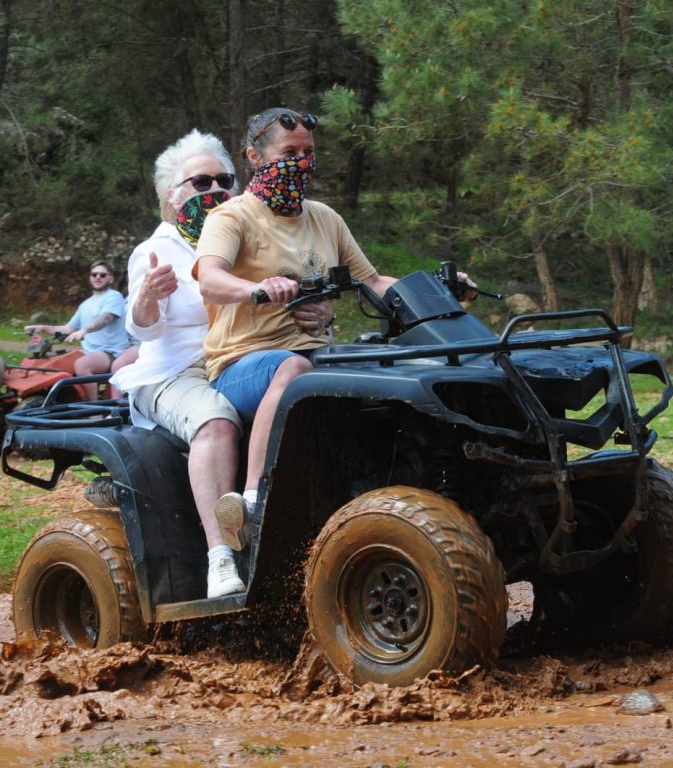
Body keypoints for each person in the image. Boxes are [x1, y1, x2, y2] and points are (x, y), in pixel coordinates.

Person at [194, 106, 468, 548]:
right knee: (292, 370)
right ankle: (250, 504)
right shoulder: (232, 217)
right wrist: (258, 288)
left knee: (394, 375)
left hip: (316, 356)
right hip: (242, 365)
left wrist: (439, 288)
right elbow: (210, 277)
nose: (301, 162)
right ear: (254, 157)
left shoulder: (324, 217)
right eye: (289, 152)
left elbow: (374, 282)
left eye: (308, 152)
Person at [109, 127, 331, 598]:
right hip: (175, 370)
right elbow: (142, 331)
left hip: (238, 358)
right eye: (200, 182)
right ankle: (222, 556)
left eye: (222, 180)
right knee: (216, 421)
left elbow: (277, 296)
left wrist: (316, 310)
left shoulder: (244, 230)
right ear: (172, 196)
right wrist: (147, 297)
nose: (214, 190)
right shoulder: (156, 249)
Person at [26, 261, 132, 400]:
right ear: (90, 277)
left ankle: (95, 411)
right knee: (56, 363)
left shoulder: (114, 297)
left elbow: (106, 318)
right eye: (94, 274)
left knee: (82, 365)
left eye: (102, 275)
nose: (98, 277)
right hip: (90, 352)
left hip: (112, 351)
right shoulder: (85, 304)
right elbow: (68, 328)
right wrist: (43, 328)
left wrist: (85, 330)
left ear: (110, 278)